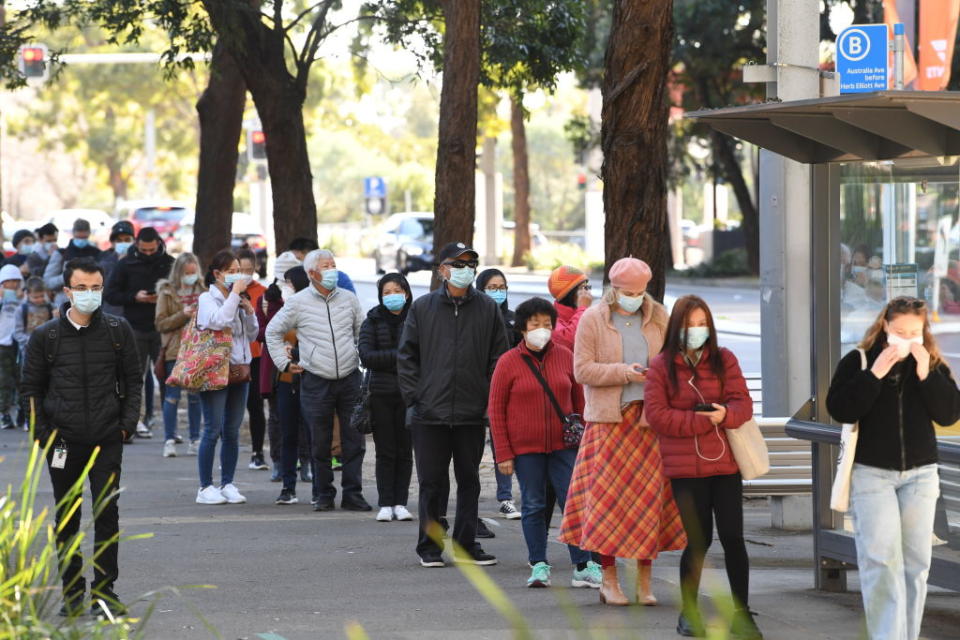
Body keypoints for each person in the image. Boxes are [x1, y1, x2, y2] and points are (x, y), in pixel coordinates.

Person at [826, 296, 960, 640]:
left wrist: (925, 373)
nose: (907, 338)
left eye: (915, 332)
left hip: (921, 475)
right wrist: (875, 374)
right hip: (873, 475)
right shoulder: (858, 360)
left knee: (916, 567)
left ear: (923, 330)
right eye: (900, 331)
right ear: (885, 326)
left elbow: (948, 414)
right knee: (881, 563)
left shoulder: (931, 364)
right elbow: (840, 409)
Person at [559, 257, 687, 606]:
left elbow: (675, 364)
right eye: (627, 291)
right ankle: (609, 580)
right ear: (613, 289)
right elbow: (582, 370)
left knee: (649, 503)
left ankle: (645, 582)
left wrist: (657, 377)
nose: (634, 297)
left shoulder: (659, 316)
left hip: (649, 423)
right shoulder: (592, 318)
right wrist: (623, 372)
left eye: (640, 291)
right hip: (609, 423)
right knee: (608, 506)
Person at [20, 257, 142, 618]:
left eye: (96, 287)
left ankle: (104, 593)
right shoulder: (47, 336)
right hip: (62, 442)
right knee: (68, 517)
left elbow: (134, 381)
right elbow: (30, 390)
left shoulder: (119, 331)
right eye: (82, 288)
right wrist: (42, 434)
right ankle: (72, 594)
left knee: (107, 514)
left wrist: (126, 425)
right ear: (67, 290)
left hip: (107, 437)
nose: (90, 294)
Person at [645, 295, 760, 638]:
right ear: (676, 326)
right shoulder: (661, 365)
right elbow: (657, 416)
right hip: (685, 470)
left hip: (725, 465)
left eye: (701, 323)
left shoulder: (725, 359)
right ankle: (689, 611)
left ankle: (742, 612)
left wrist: (726, 415)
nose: (696, 330)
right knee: (698, 540)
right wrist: (700, 421)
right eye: (689, 324)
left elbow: (743, 403)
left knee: (733, 538)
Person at [398, 242, 508, 568]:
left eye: (471, 262)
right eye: (458, 263)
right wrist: (416, 398)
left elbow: (499, 360)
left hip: (472, 413)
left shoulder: (488, 308)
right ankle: (430, 547)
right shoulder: (423, 307)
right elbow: (406, 358)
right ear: (442, 270)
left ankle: (465, 544)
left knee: (470, 480)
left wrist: (489, 400)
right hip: (429, 413)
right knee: (432, 483)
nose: (465, 269)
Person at [488, 296, 603, 589]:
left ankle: (582, 565)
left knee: (573, 503)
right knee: (534, 505)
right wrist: (503, 453)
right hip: (525, 450)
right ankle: (539, 564)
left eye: (547, 324)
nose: (542, 329)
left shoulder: (565, 355)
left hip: (565, 447)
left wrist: (587, 443)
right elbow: (496, 410)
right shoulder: (508, 362)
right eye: (535, 324)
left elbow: (581, 404)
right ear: (523, 328)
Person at [265, 249, 371, 512]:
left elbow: (362, 331)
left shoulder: (348, 299)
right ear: (312, 273)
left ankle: (353, 493)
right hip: (315, 379)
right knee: (320, 441)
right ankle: (324, 494)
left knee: (354, 440)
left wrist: (361, 358)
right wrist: (285, 363)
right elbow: (273, 331)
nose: (332, 270)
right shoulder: (298, 302)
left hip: (349, 377)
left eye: (333, 264)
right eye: (326, 266)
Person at [194, 250, 259, 505]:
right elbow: (219, 321)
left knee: (232, 430)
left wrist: (250, 311)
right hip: (215, 371)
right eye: (231, 271)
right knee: (212, 429)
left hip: (239, 370)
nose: (237, 275)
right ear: (217, 274)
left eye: (239, 270)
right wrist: (233, 297)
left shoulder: (238, 298)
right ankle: (205, 486)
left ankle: (228, 482)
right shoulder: (206, 298)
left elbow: (252, 336)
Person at [105, 226, 175, 438]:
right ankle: (135, 422)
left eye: (151, 250)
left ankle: (169, 427)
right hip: (134, 327)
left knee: (168, 377)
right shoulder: (125, 263)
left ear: (158, 245)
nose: (148, 254)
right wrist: (134, 296)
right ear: (137, 245)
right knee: (134, 378)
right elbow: (110, 294)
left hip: (164, 327)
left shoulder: (169, 263)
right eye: (143, 250)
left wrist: (163, 296)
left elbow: (180, 291)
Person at [359, 273, 415, 523]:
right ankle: (385, 502)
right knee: (385, 450)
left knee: (405, 450)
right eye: (387, 292)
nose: (393, 296)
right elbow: (366, 356)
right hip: (380, 394)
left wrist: (393, 357)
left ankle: (401, 502)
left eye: (397, 290)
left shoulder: (417, 317)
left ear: (406, 292)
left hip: (409, 393)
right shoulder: (372, 319)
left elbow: (422, 353)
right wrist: (401, 355)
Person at [264, 266, 313, 505]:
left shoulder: (314, 308)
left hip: (312, 378)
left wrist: (294, 350)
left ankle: (319, 487)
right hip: (286, 380)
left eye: (289, 283)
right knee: (288, 432)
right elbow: (270, 335)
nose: (285, 287)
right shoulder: (284, 310)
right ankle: (288, 486)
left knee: (314, 432)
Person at [476, 268, 521, 522]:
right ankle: (471, 498)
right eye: (492, 287)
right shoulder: (475, 319)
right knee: (471, 448)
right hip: (478, 391)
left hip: (507, 393)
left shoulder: (514, 319)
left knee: (503, 446)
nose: (498, 291)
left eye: (501, 286)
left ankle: (505, 498)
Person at [155, 252, 205, 458]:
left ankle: (195, 439)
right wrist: (182, 315)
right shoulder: (167, 292)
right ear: (179, 272)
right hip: (174, 350)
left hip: (198, 349)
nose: (191, 276)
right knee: (172, 397)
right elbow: (160, 323)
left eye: (194, 272)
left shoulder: (203, 290)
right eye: (187, 273)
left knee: (195, 398)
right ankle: (169, 439)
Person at [237, 249, 269, 471]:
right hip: (233, 357)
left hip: (256, 356)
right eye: (241, 270)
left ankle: (258, 452)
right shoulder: (228, 292)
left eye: (249, 270)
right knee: (232, 406)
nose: (245, 274)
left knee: (256, 406)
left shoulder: (263, 292)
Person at [14, 277, 55, 430]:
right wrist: (32, 343)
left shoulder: (51, 308)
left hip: (49, 355)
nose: (38, 300)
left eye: (41, 296)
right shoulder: (22, 310)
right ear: (27, 295)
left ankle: (45, 419)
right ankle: (27, 418)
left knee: (48, 387)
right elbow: (17, 333)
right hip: (28, 355)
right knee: (30, 388)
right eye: (35, 297)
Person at [45, 218, 103, 306]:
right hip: (65, 302)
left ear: (89, 234)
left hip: (90, 303)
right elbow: (48, 282)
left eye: (84, 238)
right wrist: (68, 275)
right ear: (73, 233)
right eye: (78, 237)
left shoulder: (97, 254)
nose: (81, 240)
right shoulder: (61, 254)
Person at [548, 265, 593, 352]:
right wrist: (583, 309)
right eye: (583, 288)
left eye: (587, 287)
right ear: (568, 293)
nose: (587, 293)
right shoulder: (550, 318)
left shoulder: (586, 313)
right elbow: (569, 341)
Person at [0, 264, 23, 429]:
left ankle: (24, 413)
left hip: (19, 344)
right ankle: (4, 413)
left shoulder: (24, 298)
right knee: (3, 381)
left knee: (22, 380)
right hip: (2, 344)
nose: (13, 285)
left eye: (16, 281)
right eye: (9, 281)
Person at [99, 221, 136, 317]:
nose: (123, 243)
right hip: (112, 314)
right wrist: (119, 265)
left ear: (134, 242)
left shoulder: (139, 260)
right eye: (119, 240)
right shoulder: (105, 263)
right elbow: (104, 290)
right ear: (113, 243)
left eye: (127, 240)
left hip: (135, 315)